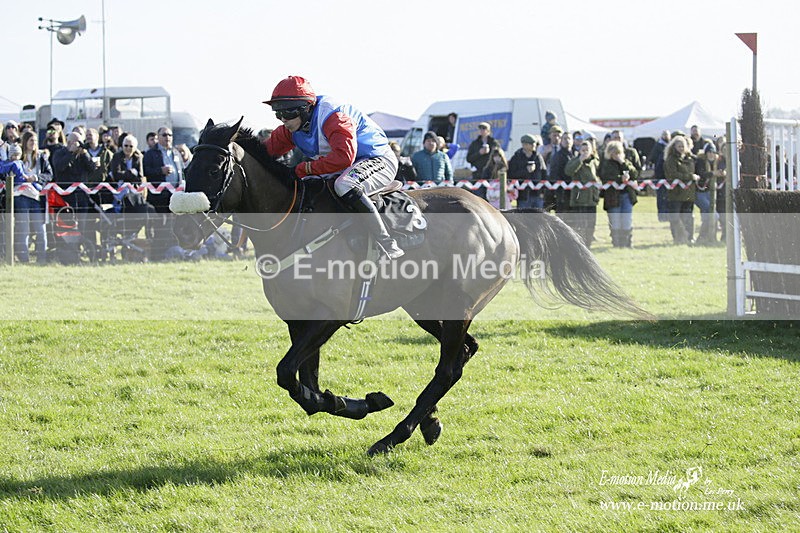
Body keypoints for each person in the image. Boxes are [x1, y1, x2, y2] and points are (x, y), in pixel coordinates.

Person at [261, 75, 404, 259]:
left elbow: (344, 157)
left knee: (345, 185)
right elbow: (264, 153)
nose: (283, 120)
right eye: (277, 113)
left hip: (377, 159)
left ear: (306, 108)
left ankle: (387, 242)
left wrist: (304, 169)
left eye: (287, 113)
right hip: (348, 165)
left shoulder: (334, 117)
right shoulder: (291, 128)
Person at [5, 142, 48, 263]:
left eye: (35, 140)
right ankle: (24, 259)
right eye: (30, 140)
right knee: (24, 229)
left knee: (40, 228)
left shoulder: (41, 157)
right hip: (20, 196)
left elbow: (49, 175)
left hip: (35, 196)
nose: (33, 143)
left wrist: (37, 178)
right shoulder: (16, 159)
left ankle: (42, 259)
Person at [598, 140, 638, 247]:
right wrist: (621, 179)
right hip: (612, 196)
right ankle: (616, 243)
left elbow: (634, 173)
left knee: (627, 220)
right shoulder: (606, 163)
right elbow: (606, 176)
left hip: (627, 195)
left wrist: (623, 163)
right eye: (614, 153)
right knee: (615, 220)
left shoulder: (626, 162)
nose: (616, 155)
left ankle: (627, 243)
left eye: (618, 152)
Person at [564, 140, 600, 247]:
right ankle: (580, 245)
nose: (585, 152)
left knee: (591, 224)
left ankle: (588, 244)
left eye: (587, 150)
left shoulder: (595, 162)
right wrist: (580, 160)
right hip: (579, 199)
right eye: (582, 150)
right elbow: (568, 171)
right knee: (580, 225)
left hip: (591, 199)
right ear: (579, 151)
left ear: (591, 151)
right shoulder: (575, 160)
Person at [664, 135, 698, 244]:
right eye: (679, 146)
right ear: (674, 147)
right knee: (675, 218)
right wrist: (690, 176)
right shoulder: (671, 160)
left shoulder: (690, 159)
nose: (681, 148)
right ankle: (677, 238)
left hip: (688, 194)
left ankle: (689, 238)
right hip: (676, 194)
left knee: (688, 217)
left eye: (683, 146)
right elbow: (673, 174)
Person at [694, 141, 725, 244]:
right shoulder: (700, 161)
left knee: (706, 217)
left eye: (713, 152)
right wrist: (712, 173)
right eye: (709, 152)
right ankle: (704, 237)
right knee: (713, 215)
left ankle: (706, 238)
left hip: (712, 193)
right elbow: (701, 174)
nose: (711, 154)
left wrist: (721, 173)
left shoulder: (718, 162)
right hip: (700, 193)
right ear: (705, 153)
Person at [507, 134, 546, 208]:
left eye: (535, 143)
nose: (534, 145)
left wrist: (543, 192)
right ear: (524, 145)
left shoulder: (538, 157)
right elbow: (511, 175)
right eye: (531, 144)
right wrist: (526, 171)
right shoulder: (516, 158)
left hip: (537, 194)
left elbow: (544, 173)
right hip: (523, 195)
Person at [466, 122, 500, 199]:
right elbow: (469, 158)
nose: (482, 131)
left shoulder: (494, 142)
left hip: (491, 175)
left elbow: (498, 157)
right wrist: (479, 153)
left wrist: (490, 153)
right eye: (480, 129)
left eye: (484, 129)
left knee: (492, 199)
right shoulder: (474, 143)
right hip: (478, 175)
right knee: (478, 198)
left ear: (489, 131)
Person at [648, 130, 671, 222]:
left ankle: (667, 216)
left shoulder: (671, 146)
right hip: (660, 174)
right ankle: (662, 216)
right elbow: (652, 158)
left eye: (667, 135)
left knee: (668, 197)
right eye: (664, 135)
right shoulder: (658, 146)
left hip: (669, 176)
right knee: (661, 197)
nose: (666, 136)